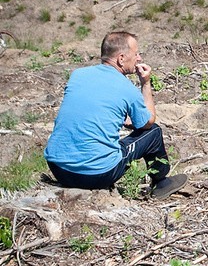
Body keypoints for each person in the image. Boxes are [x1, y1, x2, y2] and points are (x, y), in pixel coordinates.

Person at [44, 32, 187, 199]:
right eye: (136, 54)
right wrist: (145, 83)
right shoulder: (126, 87)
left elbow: (90, 107)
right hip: (97, 174)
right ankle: (161, 183)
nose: (139, 58)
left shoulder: (78, 75)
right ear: (121, 58)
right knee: (153, 132)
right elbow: (148, 121)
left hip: (58, 168)